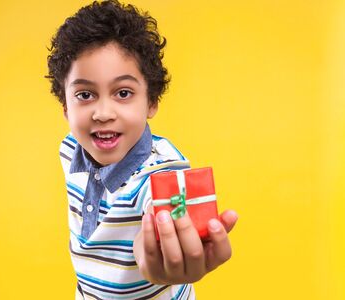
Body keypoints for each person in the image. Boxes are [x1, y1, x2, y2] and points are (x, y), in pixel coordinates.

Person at [46, 1, 238, 299]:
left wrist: (158, 259)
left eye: (123, 93)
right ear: (65, 108)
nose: (103, 113)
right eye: (85, 94)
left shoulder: (160, 173)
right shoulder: (70, 150)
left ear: (151, 102)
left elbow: (166, 204)